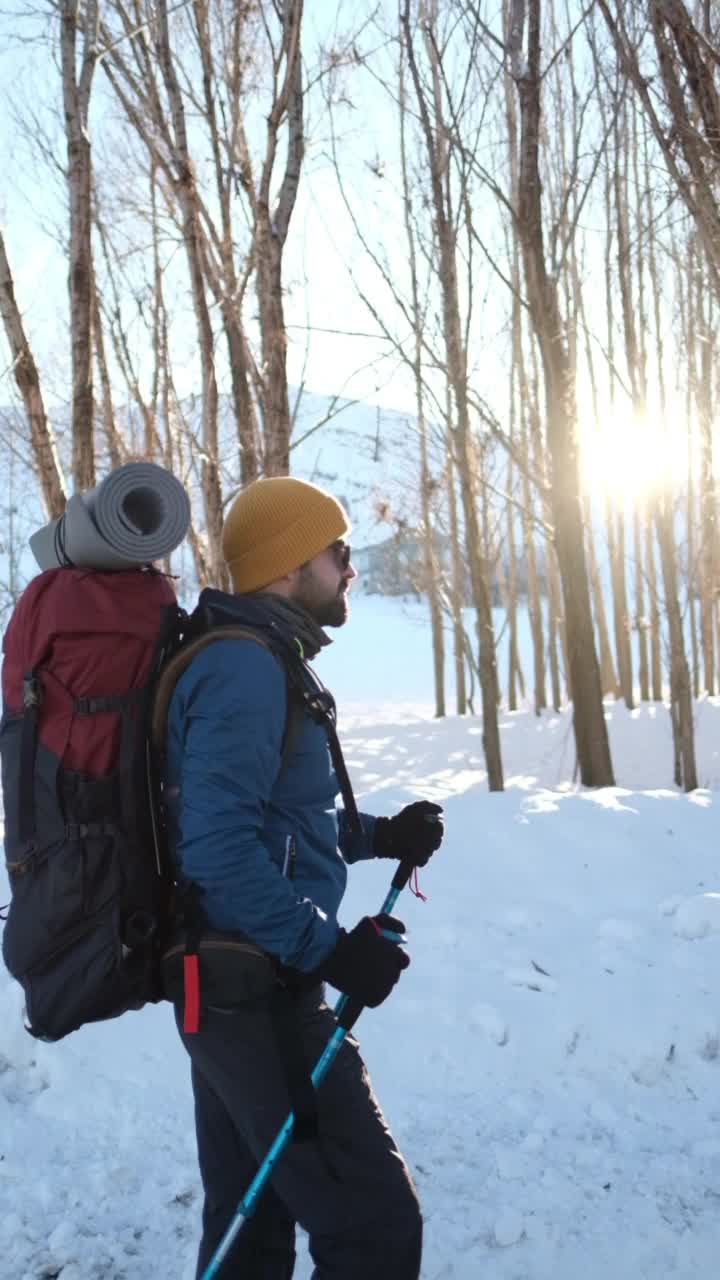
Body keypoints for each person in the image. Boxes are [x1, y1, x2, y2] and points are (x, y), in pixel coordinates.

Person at [164, 475, 444, 1280]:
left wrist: (380, 835)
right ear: (289, 564)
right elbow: (218, 849)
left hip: (231, 985)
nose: (350, 567)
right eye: (337, 550)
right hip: (253, 990)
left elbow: (275, 824)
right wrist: (324, 950)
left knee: (250, 1234)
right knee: (375, 1230)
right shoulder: (244, 671)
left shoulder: (261, 660)